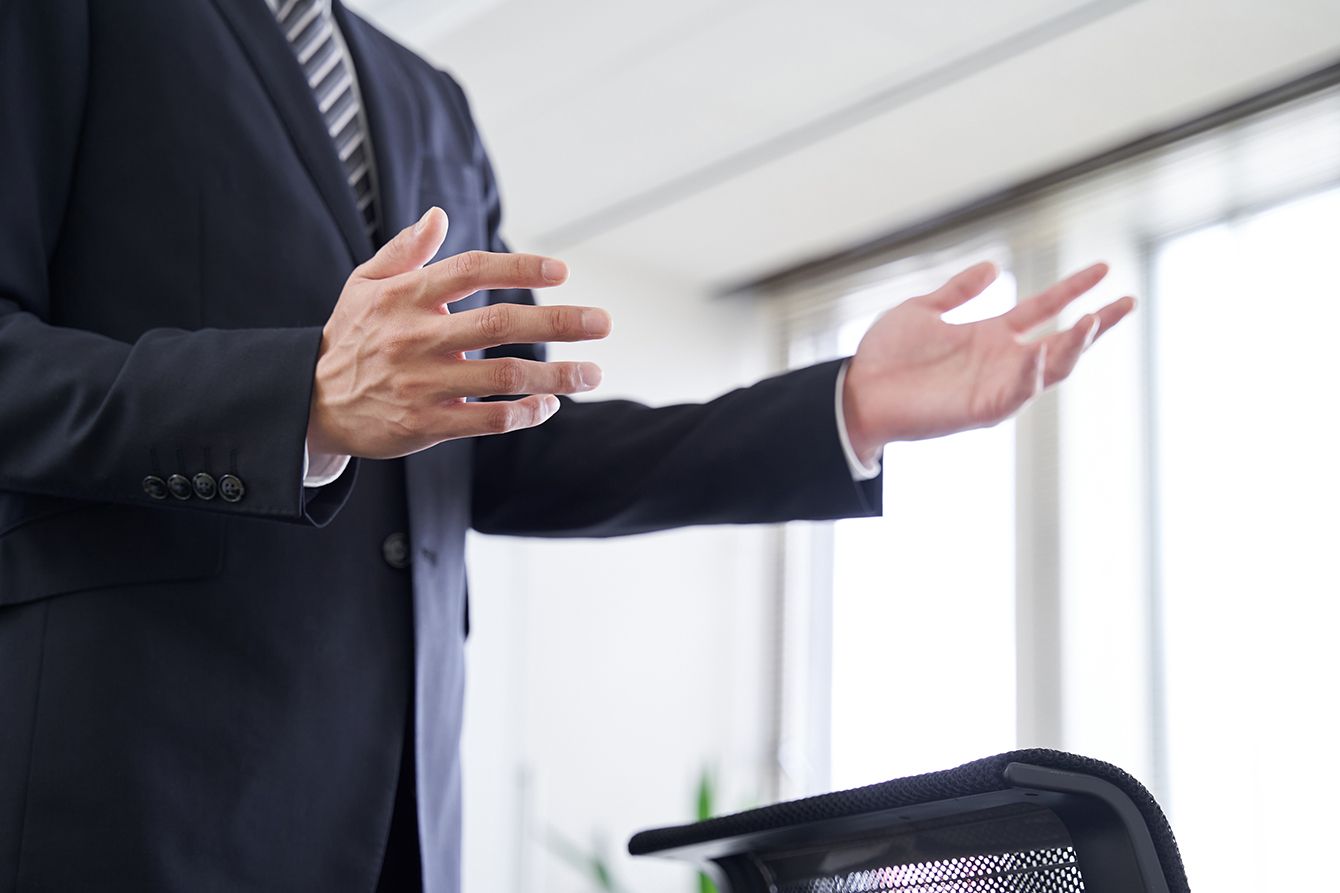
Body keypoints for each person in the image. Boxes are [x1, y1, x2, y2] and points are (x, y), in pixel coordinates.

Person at [0, 0, 1133, 890]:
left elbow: (503, 441)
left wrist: (841, 407)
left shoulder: (430, 101)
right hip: (129, 792)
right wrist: (299, 397)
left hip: (402, 818)